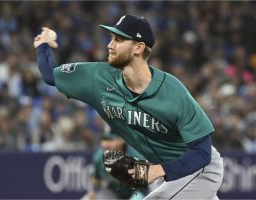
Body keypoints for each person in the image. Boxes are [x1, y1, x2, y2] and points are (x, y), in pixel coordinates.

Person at [34, 14, 224, 199]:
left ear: (138, 47)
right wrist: (43, 44)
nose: (110, 45)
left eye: (118, 39)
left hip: (198, 170)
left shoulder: (173, 92)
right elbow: (51, 76)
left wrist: (155, 171)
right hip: (166, 176)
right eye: (111, 38)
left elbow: (201, 153)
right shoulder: (98, 79)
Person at [83, 132, 146, 200]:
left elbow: (145, 187)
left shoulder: (136, 157)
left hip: (138, 193)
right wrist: (92, 191)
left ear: (122, 140)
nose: (105, 144)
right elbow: (96, 179)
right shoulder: (99, 157)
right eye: (104, 140)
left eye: (110, 140)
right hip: (113, 193)